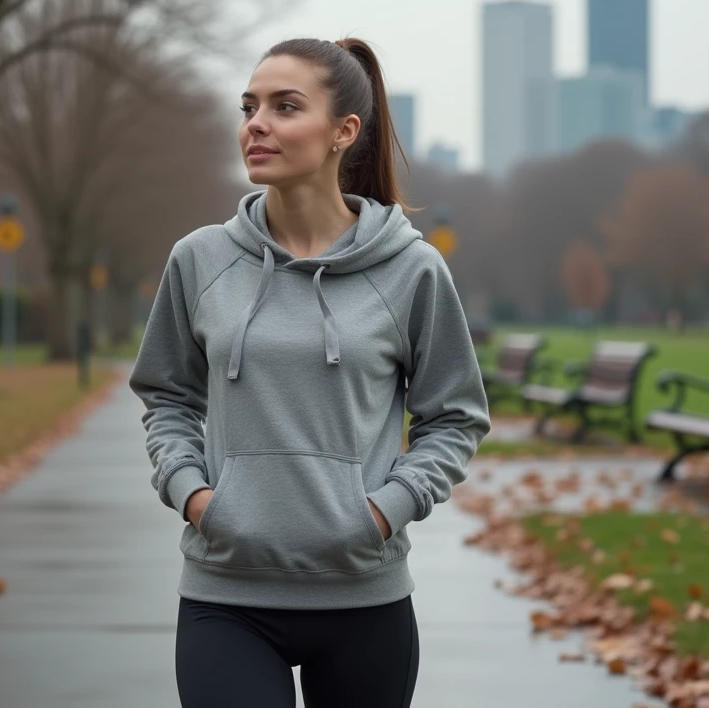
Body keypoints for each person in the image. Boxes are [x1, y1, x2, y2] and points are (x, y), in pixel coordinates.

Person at [128, 37, 491, 708]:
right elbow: (167, 397)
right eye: (249, 106)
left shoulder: (409, 269)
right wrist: (195, 495)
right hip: (225, 598)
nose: (256, 124)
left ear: (342, 132)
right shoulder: (199, 261)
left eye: (284, 106)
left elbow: (455, 416)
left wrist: (382, 512)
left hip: (364, 600)